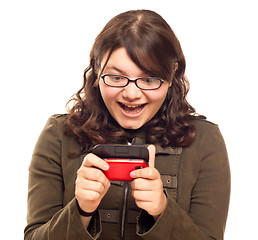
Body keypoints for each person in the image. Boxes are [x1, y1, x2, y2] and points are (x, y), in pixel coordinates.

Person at [24, 9, 230, 240]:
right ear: (96, 70)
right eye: (116, 77)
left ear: (171, 75)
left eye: (149, 79)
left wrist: (163, 210)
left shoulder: (204, 139)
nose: (131, 94)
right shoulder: (59, 134)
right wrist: (81, 210)